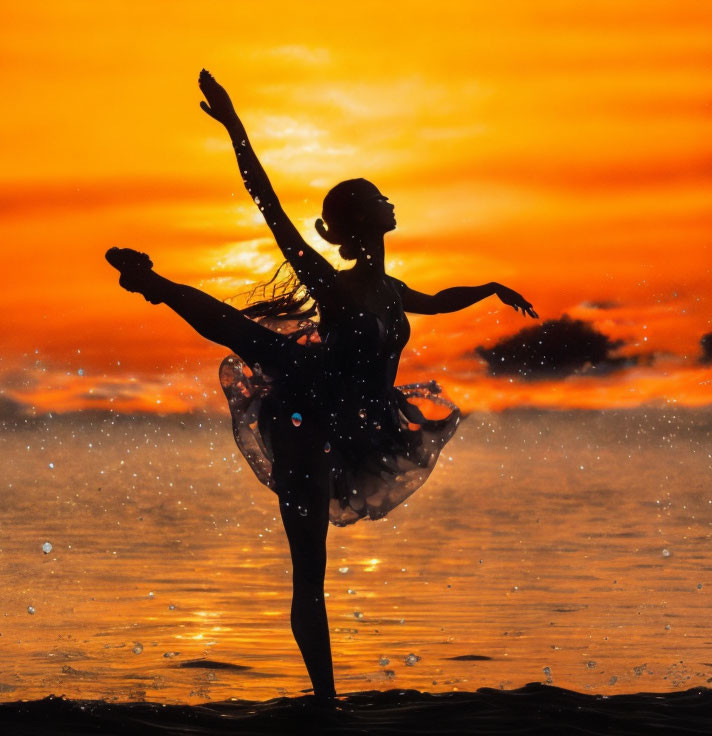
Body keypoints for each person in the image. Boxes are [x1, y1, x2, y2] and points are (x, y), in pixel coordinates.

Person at [105, 70, 537, 700]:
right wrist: (235, 128)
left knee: (251, 342)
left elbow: (441, 301)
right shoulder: (333, 286)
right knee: (309, 568)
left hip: (356, 417)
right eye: (377, 196)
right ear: (362, 220)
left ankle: (154, 286)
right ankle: (327, 704)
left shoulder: (391, 290)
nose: (389, 200)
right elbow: (270, 207)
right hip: (306, 411)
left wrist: (492, 289)